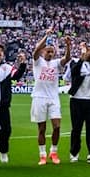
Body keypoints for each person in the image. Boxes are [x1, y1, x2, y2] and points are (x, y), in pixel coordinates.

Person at [32, 29, 71, 166]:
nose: (49, 53)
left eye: (51, 51)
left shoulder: (56, 64)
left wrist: (67, 45)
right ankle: (42, 155)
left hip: (53, 98)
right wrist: (47, 35)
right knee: (41, 128)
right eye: (47, 51)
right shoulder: (38, 62)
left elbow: (67, 59)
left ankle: (53, 151)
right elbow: (36, 50)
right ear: (43, 52)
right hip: (39, 98)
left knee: (57, 127)